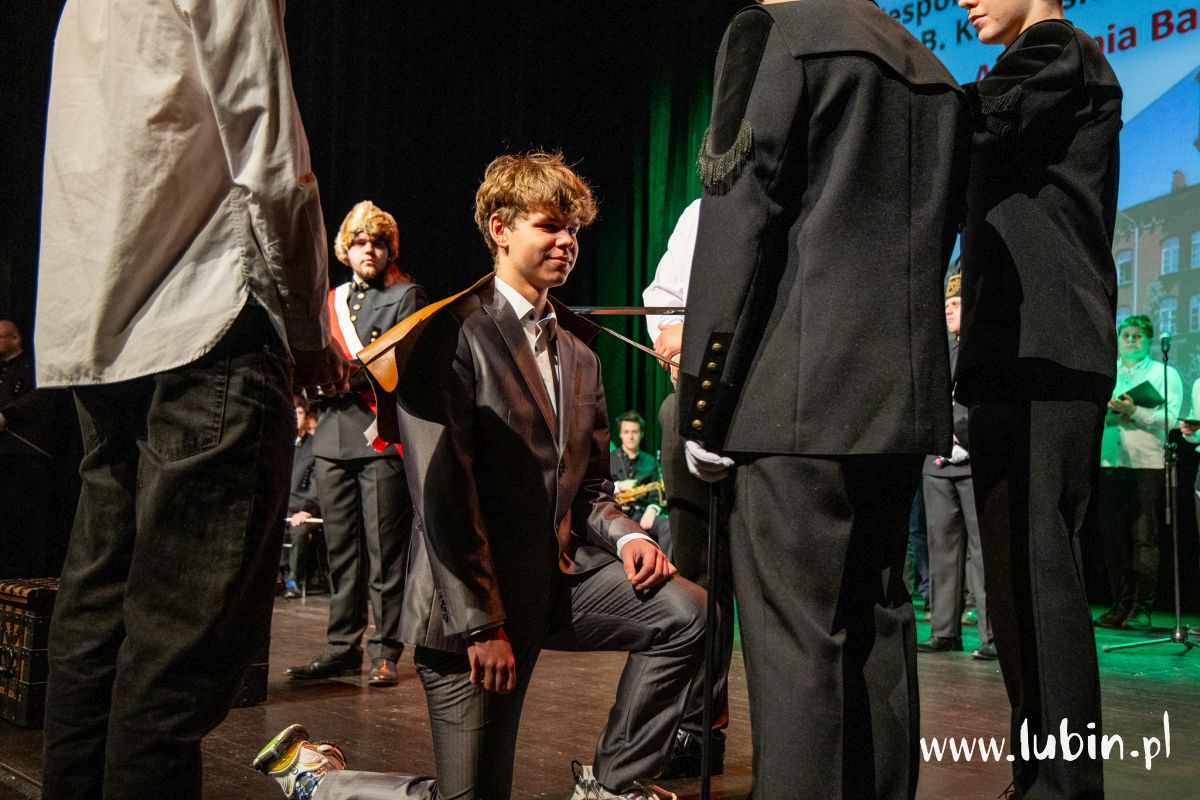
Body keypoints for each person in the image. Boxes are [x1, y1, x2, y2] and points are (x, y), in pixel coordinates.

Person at [255, 152, 704, 800]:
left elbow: (591, 489)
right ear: (500, 228)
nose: (567, 241)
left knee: (687, 613)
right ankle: (320, 780)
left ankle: (610, 788)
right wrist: (480, 625)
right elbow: (443, 496)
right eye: (549, 225)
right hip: (470, 611)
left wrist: (629, 535)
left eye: (574, 229)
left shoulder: (579, 351)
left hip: (555, 588)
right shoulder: (448, 333)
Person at [34, 2, 347, 797]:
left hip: (103, 330)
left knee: (96, 624)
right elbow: (270, 156)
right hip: (205, 323)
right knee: (177, 657)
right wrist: (309, 326)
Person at [675, 0, 969, 796]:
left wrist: (704, 398)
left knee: (797, 649)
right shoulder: (933, 69)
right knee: (880, 633)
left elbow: (740, 221)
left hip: (790, 401)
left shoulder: (775, 31)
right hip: (897, 400)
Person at [953, 0, 1123, 796]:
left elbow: (972, 118)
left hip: (1047, 353)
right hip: (1009, 355)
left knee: (1041, 578)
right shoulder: (1039, 59)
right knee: (1016, 590)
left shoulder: (1061, 49)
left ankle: (1066, 786)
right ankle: (1038, 778)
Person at [287, 201, 425, 688]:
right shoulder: (333, 300)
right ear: (345, 249)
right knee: (342, 552)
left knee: (385, 553)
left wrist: (338, 376)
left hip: (378, 436)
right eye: (360, 242)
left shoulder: (406, 295)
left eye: (378, 242)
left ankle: (385, 650)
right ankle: (341, 647)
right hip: (330, 437)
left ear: (390, 250)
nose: (369, 250)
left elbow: (399, 363)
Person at [641, 197, 734, 778]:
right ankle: (700, 728)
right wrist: (675, 344)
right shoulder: (704, 211)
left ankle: (795, 740)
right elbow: (665, 298)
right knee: (699, 578)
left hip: (780, 404)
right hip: (698, 403)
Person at [917, 272, 995, 660]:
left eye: (956, 303)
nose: (948, 310)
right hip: (938, 461)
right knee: (942, 548)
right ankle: (944, 630)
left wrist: (966, 440)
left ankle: (992, 635)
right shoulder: (940, 350)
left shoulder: (984, 350)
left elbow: (984, 402)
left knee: (983, 551)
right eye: (946, 304)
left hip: (975, 460)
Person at [1094, 315, 1180, 630]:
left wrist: (1135, 411)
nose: (1130, 340)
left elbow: (1171, 419)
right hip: (1110, 464)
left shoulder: (1164, 373)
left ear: (1149, 340)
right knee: (1113, 540)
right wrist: (1108, 412)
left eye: (1138, 336)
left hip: (1146, 465)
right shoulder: (1108, 372)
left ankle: (1142, 609)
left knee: (1144, 539)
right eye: (1126, 335)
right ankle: (1120, 605)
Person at [610, 410, 672, 558]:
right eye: (626, 432)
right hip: (615, 515)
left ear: (641, 434)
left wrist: (652, 509)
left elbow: (657, 493)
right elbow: (599, 487)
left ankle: (665, 568)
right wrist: (618, 486)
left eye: (635, 432)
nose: (630, 436)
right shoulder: (609, 459)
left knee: (668, 525)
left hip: (642, 515)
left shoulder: (651, 462)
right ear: (620, 434)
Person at [282, 395, 322, 599]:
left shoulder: (314, 445)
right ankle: (278, 577)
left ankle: (292, 579)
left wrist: (307, 510)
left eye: (299, 412)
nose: (295, 417)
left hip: (304, 508)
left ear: (306, 417)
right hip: (283, 506)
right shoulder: (282, 444)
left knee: (298, 530)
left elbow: (317, 482)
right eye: (292, 412)